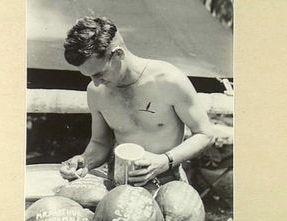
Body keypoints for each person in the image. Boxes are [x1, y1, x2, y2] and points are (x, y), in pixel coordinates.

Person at [60, 16, 213, 189]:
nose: (95, 82)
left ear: (118, 54)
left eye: (99, 74)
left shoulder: (168, 80)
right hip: (118, 186)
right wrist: (85, 161)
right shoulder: (96, 91)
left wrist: (165, 161)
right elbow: (100, 143)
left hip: (167, 184)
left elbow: (205, 134)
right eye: (89, 76)